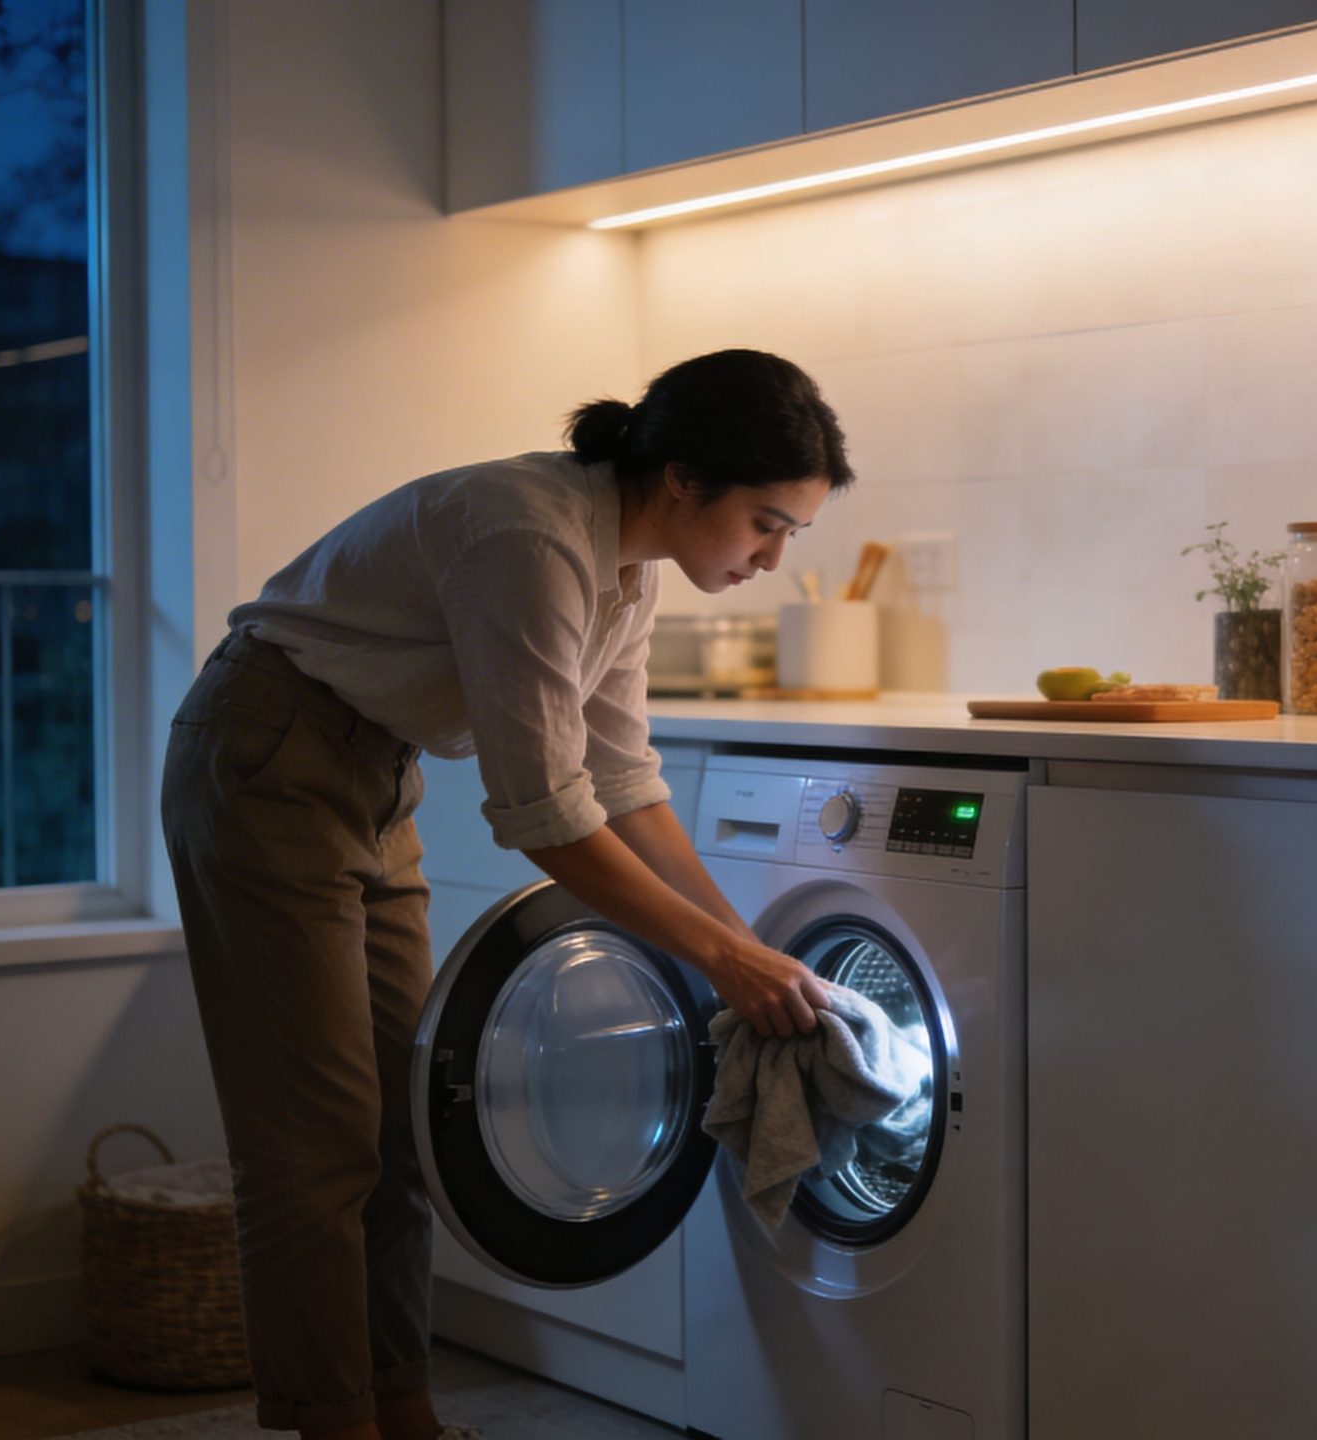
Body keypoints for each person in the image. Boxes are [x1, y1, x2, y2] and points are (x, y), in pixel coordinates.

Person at [159, 349, 852, 1439]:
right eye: (767, 523)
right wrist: (725, 963)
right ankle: (329, 1425)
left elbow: (621, 781)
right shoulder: (529, 534)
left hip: (377, 774)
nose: (772, 557)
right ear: (679, 480)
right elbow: (545, 817)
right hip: (266, 755)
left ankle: (407, 1417)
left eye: (789, 535)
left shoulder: (631, 568)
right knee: (318, 1141)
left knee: (408, 1127)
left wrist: (742, 941)